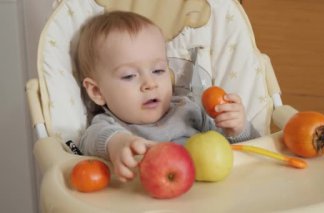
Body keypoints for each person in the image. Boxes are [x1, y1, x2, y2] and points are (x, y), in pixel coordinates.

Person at [75, 11, 258, 182]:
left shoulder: (189, 110)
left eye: (158, 70)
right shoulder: (109, 126)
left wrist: (237, 129)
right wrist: (118, 144)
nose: (150, 83)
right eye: (129, 76)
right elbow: (90, 142)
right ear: (97, 92)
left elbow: (246, 153)